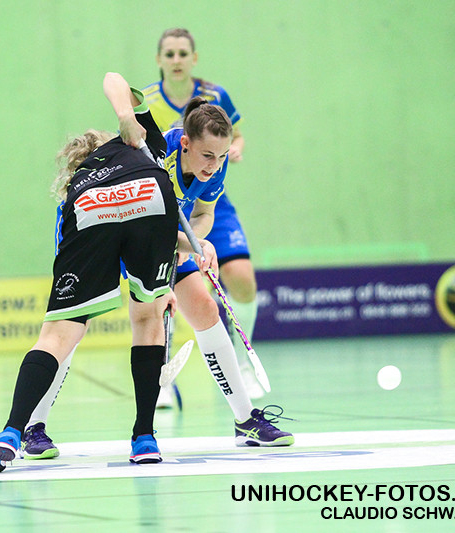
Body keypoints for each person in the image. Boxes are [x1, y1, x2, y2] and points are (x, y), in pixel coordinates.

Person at [19, 82, 294, 462]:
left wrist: (195, 242)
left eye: (221, 156)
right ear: (186, 144)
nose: (214, 165)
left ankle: (245, 420)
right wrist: (125, 118)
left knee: (204, 307)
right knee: (73, 327)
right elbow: (115, 82)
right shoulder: (157, 151)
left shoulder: (214, 163)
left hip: (157, 236)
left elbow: (203, 213)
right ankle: (34, 426)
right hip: (98, 228)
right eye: (207, 155)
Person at [0, 72, 183, 471]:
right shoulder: (138, 143)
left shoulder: (78, 186)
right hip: (153, 197)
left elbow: (99, 238)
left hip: (91, 211)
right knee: (147, 319)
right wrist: (127, 118)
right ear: (110, 140)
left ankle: (10, 433)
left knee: (56, 335)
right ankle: (144, 437)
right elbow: (115, 76)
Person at [143, 28, 264, 403]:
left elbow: (234, 136)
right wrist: (183, 244)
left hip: (206, 194)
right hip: (160, 205)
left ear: (194, 58)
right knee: (165, 292)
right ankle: (160, 377)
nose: (177, 60)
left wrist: (230, 153)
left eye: (183, 53)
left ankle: (241, 364)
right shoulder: (148, 104)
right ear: (160, 60)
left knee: (240, 278)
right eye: (170, 54)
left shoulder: (215, 96)